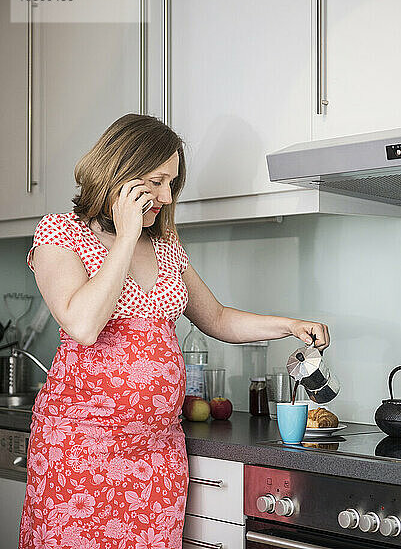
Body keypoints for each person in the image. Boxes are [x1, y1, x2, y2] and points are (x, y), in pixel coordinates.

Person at [19, 113, 330, 548]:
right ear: (120, 174)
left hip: (158, 454)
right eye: (157, 181)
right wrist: (126, 238)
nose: (166, 196)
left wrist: (289, 325)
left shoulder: (166, 246)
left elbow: (216, 318)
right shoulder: (61, 233)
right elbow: (84, 324)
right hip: (81, 448)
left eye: (172, 184)